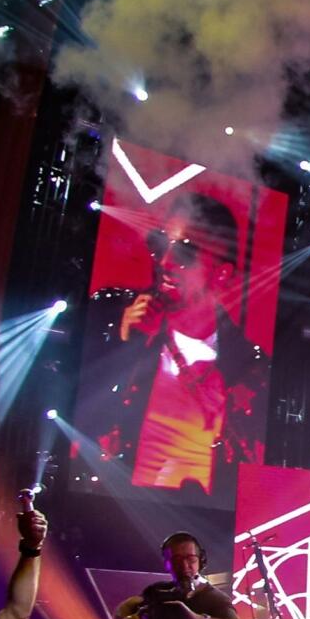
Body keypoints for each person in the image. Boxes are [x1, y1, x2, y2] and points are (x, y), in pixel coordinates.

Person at [79, 192, 268, 496]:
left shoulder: (248, 366)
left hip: (200, 518)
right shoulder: (112, 316)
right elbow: (81, 421)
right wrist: (125, 344)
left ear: (222, 274)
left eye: (185, 253)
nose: (165, 262)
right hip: (115, 505)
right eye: (160, 245)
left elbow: (251, 470)